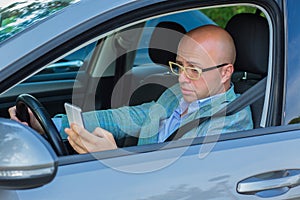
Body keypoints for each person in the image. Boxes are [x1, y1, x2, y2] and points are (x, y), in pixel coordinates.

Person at [9, 25, 253, 154]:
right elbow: (127, 117)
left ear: (224, 72)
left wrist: (112, 158)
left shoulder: (230, 122)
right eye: (179, 66)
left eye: (194, 70)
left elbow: (177, 182)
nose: (182, 78)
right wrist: (53, 124)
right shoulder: (179, 95)